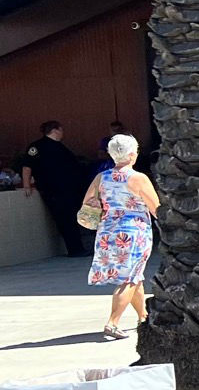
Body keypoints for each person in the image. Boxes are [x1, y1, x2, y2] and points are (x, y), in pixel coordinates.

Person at [84, 134, 160, 339]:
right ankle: (113, 322)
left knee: (135, 275)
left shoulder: (101, 177)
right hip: (133, 233)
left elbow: (89, 201)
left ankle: (143, 316)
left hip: (107, 232)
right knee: (129, 278)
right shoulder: (138, 178)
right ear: (132, 154)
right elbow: (156, 208)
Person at [19, 120, 92, 257]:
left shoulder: (60, 147)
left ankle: (78, 247)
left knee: (72, 218)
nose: (62, 133)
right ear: (55, 130)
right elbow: (27, 166)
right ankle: (75, 249)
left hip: (68, 189)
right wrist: (26, 185)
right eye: (61, 130)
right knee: (65, 219)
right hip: (53, 190)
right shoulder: (37, 147)